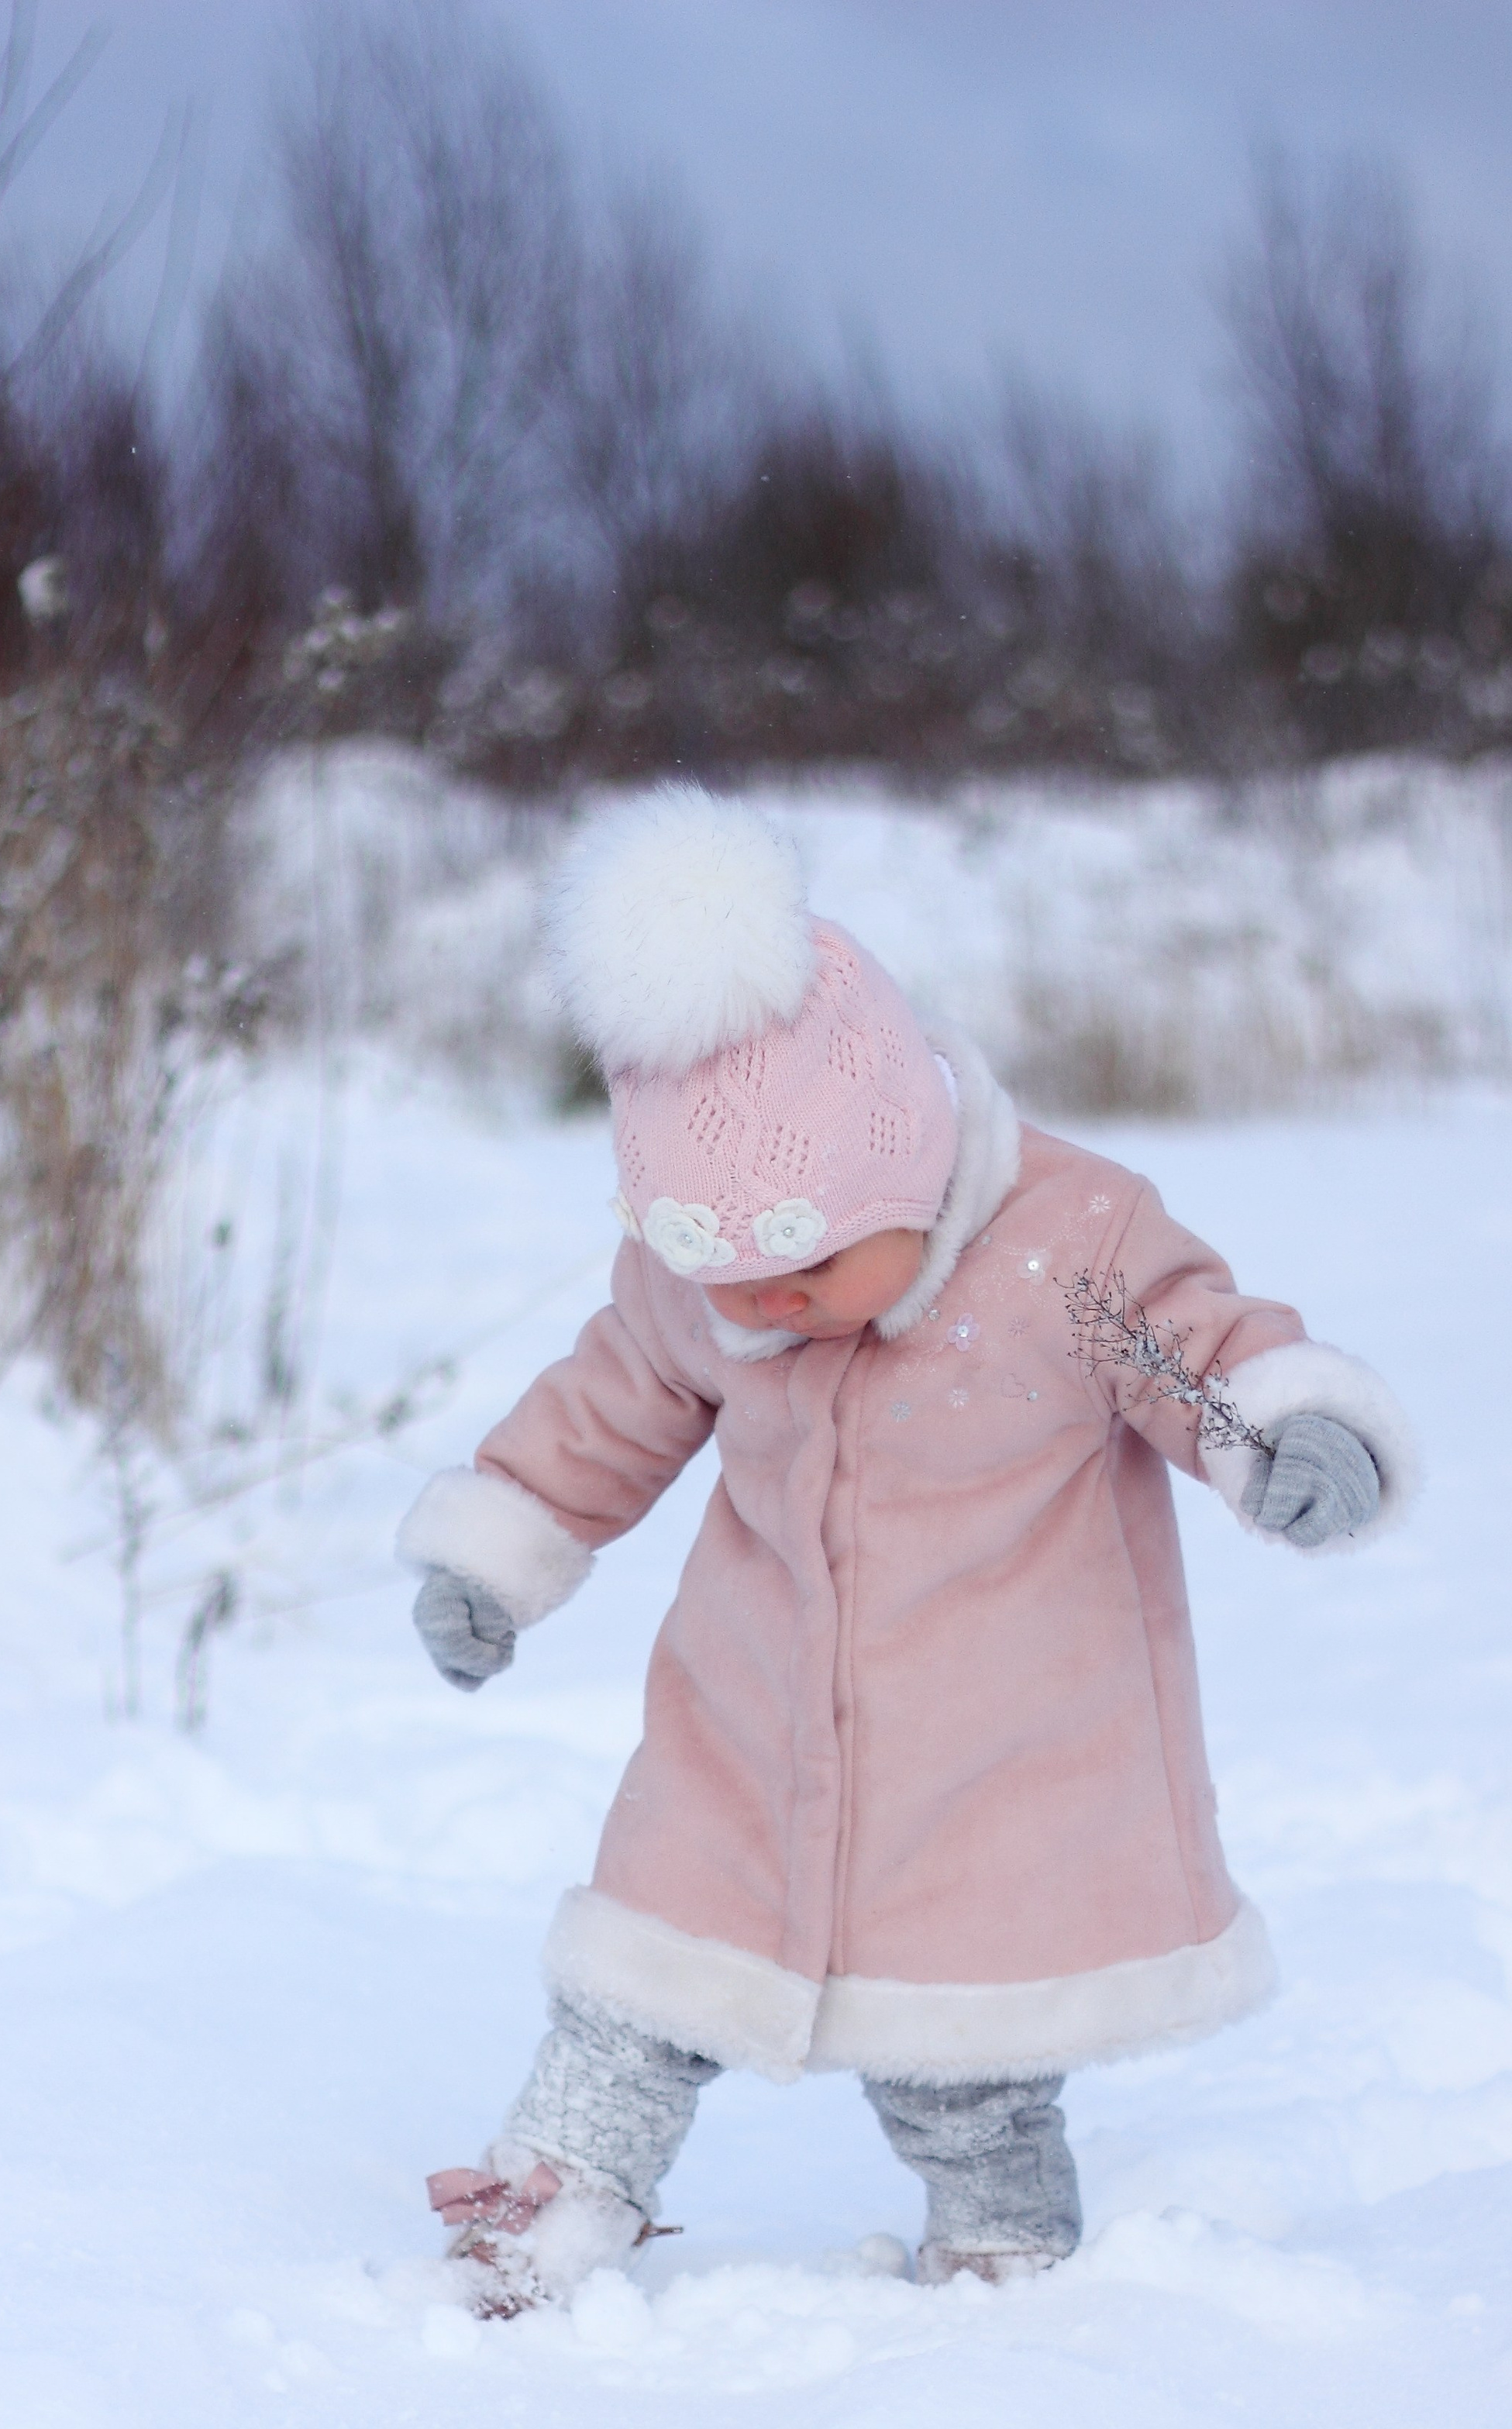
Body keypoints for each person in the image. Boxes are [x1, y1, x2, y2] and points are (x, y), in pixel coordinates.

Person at [399, 785, 1417, 2315]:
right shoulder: (709, 1286)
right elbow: (610, 1400)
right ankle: (543, 2201)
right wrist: (499, 1549)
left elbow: (1186, 1349)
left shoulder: (1061, 1247)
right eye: (731, 1279)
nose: (772, 1305)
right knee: (635, 1982)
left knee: (967, 2044)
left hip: (995, 1743)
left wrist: (1275, 1435)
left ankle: (1003, 2246)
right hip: (743, 1723)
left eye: (808, 1264)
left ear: (906, 1166)